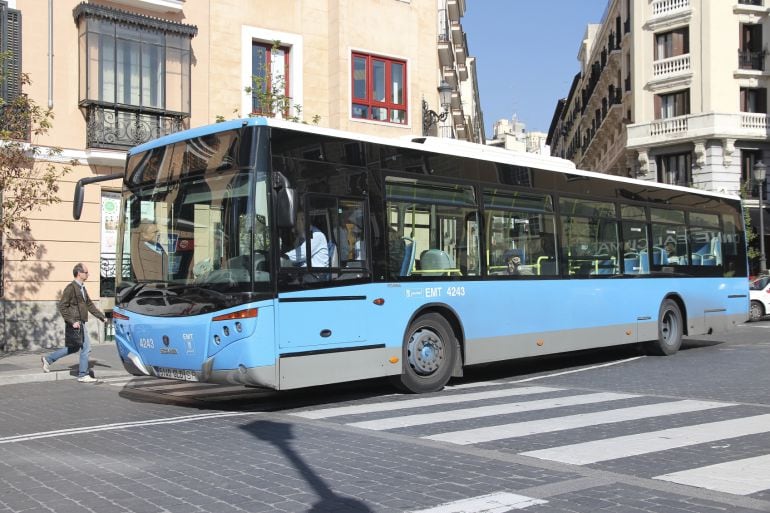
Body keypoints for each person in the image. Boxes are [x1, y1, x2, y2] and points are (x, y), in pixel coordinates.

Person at [41, 263, 107, 383]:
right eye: (86, 272)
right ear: (79, 273)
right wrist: (72, 322)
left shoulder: (82, 288)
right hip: (76, 323)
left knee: (73, 348)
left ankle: (48, 359)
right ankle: (82, 374)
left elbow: (89, 305)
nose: (88, 274)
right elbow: (62, 306)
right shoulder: (71, 288)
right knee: (86, 348)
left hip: (80, 322)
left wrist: (102, 317)